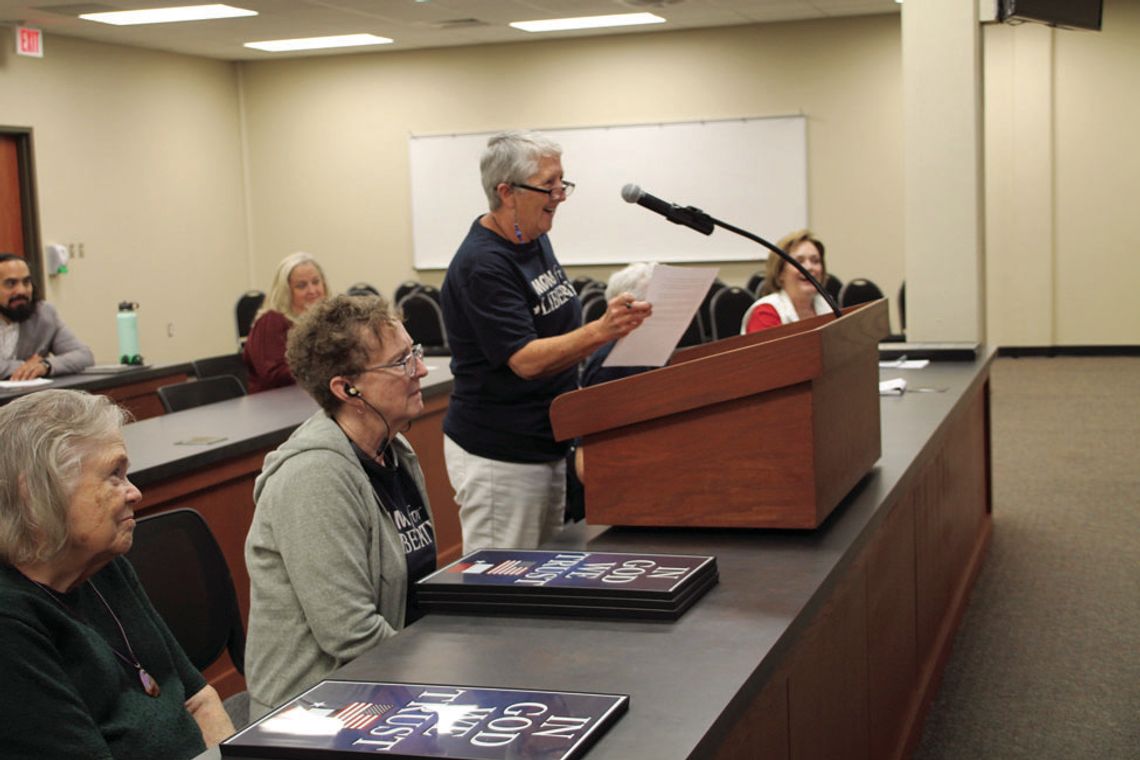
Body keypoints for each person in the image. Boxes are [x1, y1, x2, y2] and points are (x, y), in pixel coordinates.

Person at [439, 129, 652, 553]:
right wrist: (603, 330)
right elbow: (525, 360)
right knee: (501, 588)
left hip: (545, 441)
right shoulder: (483, 265)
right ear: (507, 192)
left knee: (540, 580)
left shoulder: (533, 237)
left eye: (562, 183)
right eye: (549, 185)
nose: (560, 196)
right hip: (500, 453)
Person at [0, 389, 233, 758]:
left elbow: (201, 700)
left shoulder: (102, 565)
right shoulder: (11, 625)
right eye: (114, 475)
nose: (135, 492)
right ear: (35, 494)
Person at [244, 294, 436, 720]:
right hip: (314, 709)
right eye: (402, 362)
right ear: (348, 389)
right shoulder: (315, 477)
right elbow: (351, 634)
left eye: (415, 353)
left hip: (381, 685)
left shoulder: (395, 452)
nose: (421, 370)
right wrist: (443, 678)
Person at [242, 251, 328, 393]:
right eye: (301, 286)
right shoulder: (270, 321)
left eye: (316, 282)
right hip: (273, 405)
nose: (312, 290)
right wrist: (326, 366)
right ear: (286, 291)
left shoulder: (325, 319)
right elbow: (272, 375)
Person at [0, 252, 94, 380]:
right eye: (11, 283)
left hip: (27, 397)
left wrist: (45, 365)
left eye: (26, 282)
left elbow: (84, 355)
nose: (22, 290)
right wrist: (26, 366)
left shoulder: (43, 314)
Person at [742, 229, 830, 333]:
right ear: (780, 273)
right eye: (799, 261)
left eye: (815, 261)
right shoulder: (765, 313)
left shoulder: (826, 306)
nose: (809, 267)